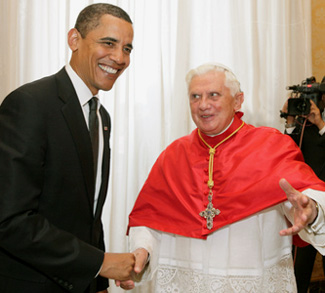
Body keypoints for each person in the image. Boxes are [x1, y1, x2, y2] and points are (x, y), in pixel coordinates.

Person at [121, 63, 325, 292]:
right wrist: (142, 251)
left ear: (238, 101)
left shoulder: (271, 146)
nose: (203, 105)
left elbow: (300, 199)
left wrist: (312, 211)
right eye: (195, 96)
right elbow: (149, 220)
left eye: (213, 95)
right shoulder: (173, 155)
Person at [0, 3, 135, 293]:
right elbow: (9, 220)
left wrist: (98, 281)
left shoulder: (101, 117)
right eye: (109, 43)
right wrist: (99, 263)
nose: (119, 58)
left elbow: (88, 215)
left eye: (127, 49)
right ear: (74, 39)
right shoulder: (30, 104)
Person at [282, 78, 325, 292]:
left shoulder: (318, 124)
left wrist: (321, 125)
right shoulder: (304, 123)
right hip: (307, 203)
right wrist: (290, 121)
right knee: (299, 269)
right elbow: (288, 153)